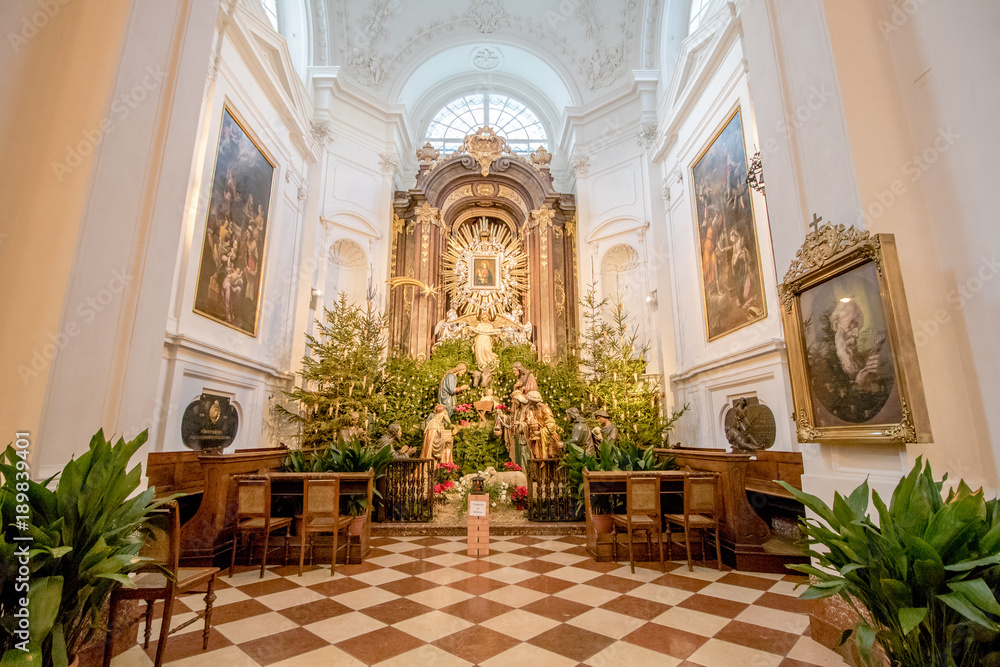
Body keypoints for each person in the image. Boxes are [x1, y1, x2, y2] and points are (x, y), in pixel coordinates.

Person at [526, 390, 562, 459]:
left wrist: (540, 432)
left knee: (548, 459)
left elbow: (551, 426)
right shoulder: (532, 409)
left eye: (529, 400)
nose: (528, 402)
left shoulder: (545, 409)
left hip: (548, 438)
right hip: (537, 439)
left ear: (533, 401)